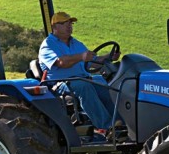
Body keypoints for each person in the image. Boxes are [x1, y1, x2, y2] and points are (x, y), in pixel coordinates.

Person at [38, 11, 119, 139]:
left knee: (106, 83)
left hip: (83, 78)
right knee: (83, 86)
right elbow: (61, 62)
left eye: (71, 23)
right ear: (55, 27)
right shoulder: (48, 45)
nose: (69, 26)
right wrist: (81, 56)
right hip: (61, 84)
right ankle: (106, 126)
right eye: (65, 23)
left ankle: (120, 124)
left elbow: (92, 62)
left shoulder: (77, 43)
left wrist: (108, 57)